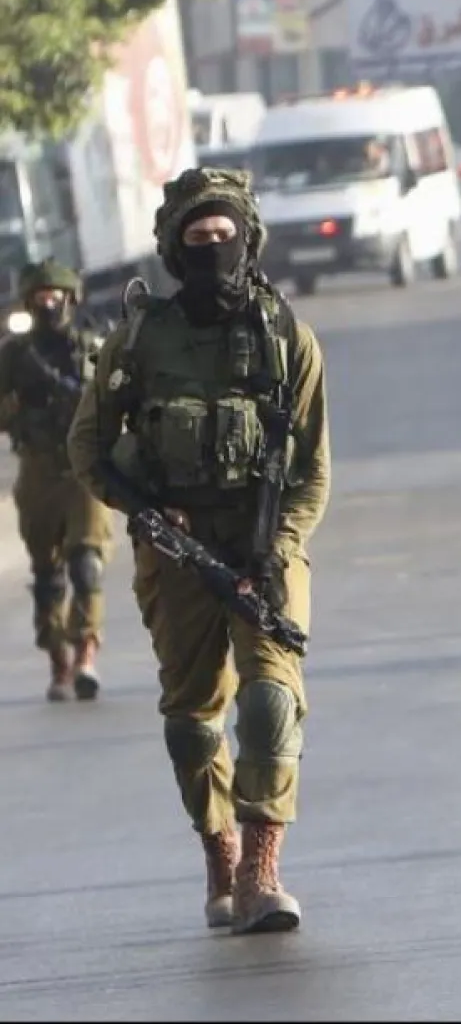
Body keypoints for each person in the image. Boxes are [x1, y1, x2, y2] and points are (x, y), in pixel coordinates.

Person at [68, 167, 331, 934]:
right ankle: (217, 848)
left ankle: (261, 868)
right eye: (197, 237)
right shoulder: (140, 340)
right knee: (192, 721)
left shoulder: (287, 340)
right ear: (174, 250)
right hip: (175, 553)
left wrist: (280, 544)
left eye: (225, 234)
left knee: (270, 701)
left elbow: (313, 469)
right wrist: (146, 513)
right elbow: (89, 447)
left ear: (247, 241)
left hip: (263, 548)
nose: (213, 247)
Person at [0, 259, 114, 702]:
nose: (48, 303)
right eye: (39, 296)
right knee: (47, 573)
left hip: (83, 470)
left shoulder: (93, 348)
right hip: (38, 469)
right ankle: (58, 663)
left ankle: (86, 654)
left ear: (71, 298)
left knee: (87, 565)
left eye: (55, 295)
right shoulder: (14, 355)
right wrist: (21, 412)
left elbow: (120, 400)